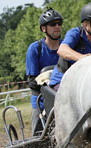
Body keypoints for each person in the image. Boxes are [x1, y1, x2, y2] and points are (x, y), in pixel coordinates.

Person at [50, 2, 91, 91]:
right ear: (86, 24)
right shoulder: (75, 33)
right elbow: (62, 50)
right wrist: (82, 58)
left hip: (86, 81)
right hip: (63, 80)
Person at [26, 8, 63, 136]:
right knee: (39, 139)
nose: (57, 27)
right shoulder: (35, 49)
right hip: (41, 103)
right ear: (43, 29)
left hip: (65, 98)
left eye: (59, 24)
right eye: (53, 24)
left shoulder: (67, 48)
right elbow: (32, 82)